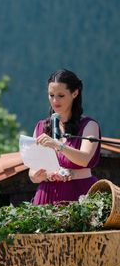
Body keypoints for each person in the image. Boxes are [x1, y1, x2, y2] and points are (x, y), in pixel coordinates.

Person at [29, 69, 101, 205]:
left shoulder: (89, 125)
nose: (55, 100)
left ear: (75, 93)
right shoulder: (41, 126)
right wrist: (44, 175)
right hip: (46, 195)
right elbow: (32, 173)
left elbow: (85, 159)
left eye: (61, 95)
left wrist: (58, 145)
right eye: (51, 95)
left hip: (80, 193)